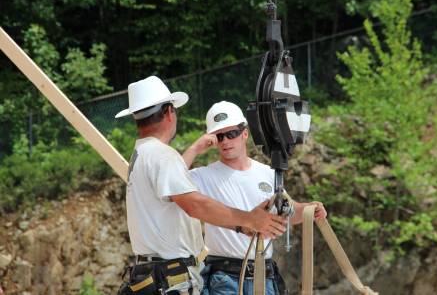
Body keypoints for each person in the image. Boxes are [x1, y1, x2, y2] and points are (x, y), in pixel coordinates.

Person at [115, 77, 286, 295]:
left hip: (152, 275)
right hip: (168, 278)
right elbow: (196, 206)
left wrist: (240, 225)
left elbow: (176, 182)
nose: (225, 140)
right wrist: (249, 218)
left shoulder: (142, 155)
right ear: (169, 112)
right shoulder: (162, 156)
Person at [182, 101, 327, 295]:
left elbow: (288, 212)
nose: (225, 141)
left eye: (231, 133)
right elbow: (171, 182)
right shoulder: (202, 176)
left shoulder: (267, 173)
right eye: (219, 136)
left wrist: (309, 211)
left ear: (245, 133)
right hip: (224, 278)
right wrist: (195, 148)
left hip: (263, 277)